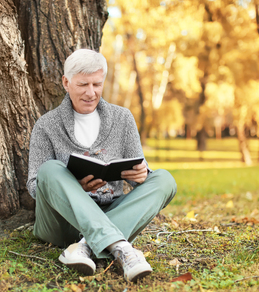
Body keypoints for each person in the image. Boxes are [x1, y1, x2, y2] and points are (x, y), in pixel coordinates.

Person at [27, 49, 177, 282]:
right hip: (62, 223)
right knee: (49, 169)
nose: (91, 92)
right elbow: (35, 186)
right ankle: (122, 248)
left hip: (111, 212)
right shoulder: (46, 125)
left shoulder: (122, 118)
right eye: (83, 84)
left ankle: (85, 246)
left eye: (97, 84)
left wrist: (141, 175)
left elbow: (137, 171)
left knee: (164, 179)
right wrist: (74, 187)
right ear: (66, 82)